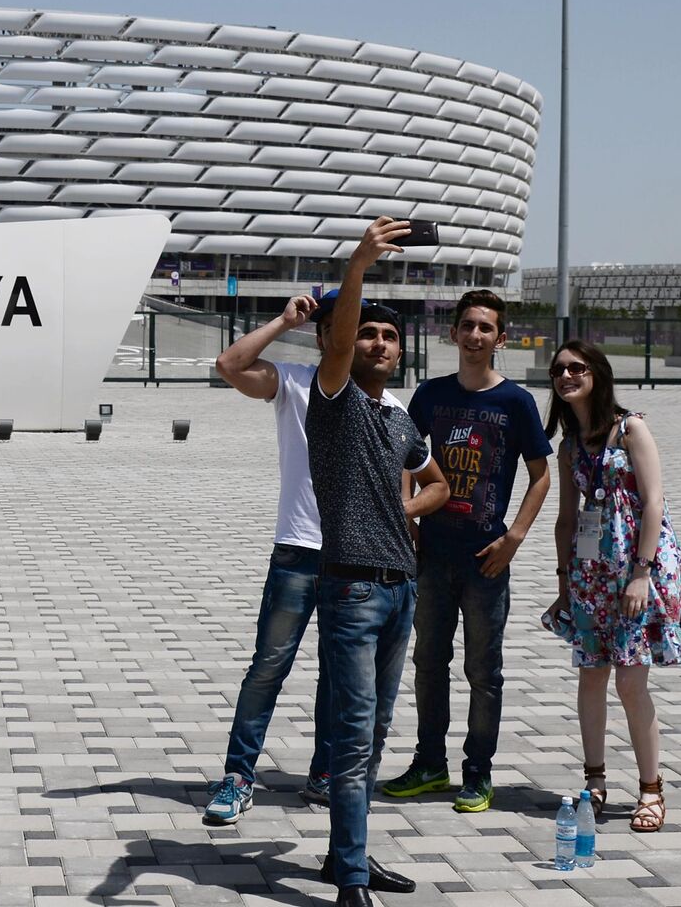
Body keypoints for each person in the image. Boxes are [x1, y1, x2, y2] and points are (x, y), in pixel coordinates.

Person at [204, 290, 409, 823]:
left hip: (358, 563)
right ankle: (238, 775)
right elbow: (229, 365)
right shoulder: (294, 383)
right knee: (269, 666)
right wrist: (282, 320)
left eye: (383, 335)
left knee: (339, 678)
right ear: (326, 337)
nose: (370, 342)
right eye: (354, 329)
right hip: (300, 548)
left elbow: (409, 484)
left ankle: (323, 774)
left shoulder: (393, 407)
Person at [307, 217, 452, 905]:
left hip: (400, 592)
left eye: (390, 336)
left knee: (376, 731)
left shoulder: (398, 418)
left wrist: (404, 511)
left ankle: (345, 858)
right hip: (352, 593)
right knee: (354, 737)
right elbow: (337, 343)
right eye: (368, 332)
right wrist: (358, 267)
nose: (378, 343)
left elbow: (440, 484)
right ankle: (353, 879)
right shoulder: (333, 401)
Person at [382, 290, 552, 813]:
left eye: (486, 328)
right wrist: (408, 521)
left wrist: (514, 537)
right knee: (429, 662)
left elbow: (542, 475)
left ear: (500, 339)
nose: (475, 335)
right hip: (431, 555)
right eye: (467, 326)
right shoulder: (429, 396)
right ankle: (430, 763)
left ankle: (478, 772)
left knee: (484, 670)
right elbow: (405, 464)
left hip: (486, 559)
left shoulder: (516, 402)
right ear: (452, 333)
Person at [543, 340, 681, 834]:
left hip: (637, 570)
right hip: (590, 575)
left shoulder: (630, 427)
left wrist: (641, 572)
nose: (567, 376)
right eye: (558, 371)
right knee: (591, 677)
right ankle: (594, 780)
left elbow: (654, 502)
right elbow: (566, 518)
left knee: (631, 682)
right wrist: (565, 581)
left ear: (597, 373)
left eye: (577, 368)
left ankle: (652, 789)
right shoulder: (570, 446)